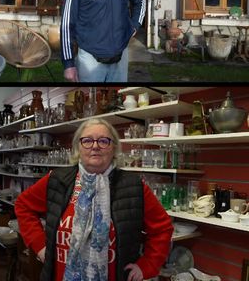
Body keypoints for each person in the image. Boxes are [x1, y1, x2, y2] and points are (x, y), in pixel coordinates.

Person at [15, 118, 172, 281]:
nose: (95, 146)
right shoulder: (57, 180)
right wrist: (40, 246)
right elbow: (23, 206)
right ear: (78, 147)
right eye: (87, 140)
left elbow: (162, 229)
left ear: (114, 148)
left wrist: (147, 265)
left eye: (104, 141)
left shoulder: (134, 186)